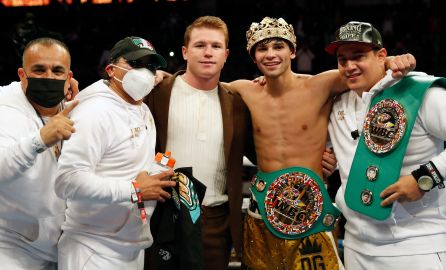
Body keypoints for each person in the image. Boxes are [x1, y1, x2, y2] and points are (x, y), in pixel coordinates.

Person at [222, 17, 415, 270]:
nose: (270, 55)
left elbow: (363, 70)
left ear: (292, 51)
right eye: (262, 49)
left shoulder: (320, 85)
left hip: (310, 209)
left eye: (278, 47)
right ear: (253, 56)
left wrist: (392, 61)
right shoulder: (243, 89)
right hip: (263, 208)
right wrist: (159, 77)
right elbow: (197, 86)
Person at [326, 21, 446, 269]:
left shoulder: (419, 92)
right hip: (355, 245)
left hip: (415, 247)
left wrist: (426, 176)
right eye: (342, 59)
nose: (349, 65)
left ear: (382, 56)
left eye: (358, 56)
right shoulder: (338, 104)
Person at [55, 36, 176, 270]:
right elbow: (67, 182)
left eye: (151, 67)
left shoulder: (142, 108)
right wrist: (135, 190)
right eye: (135, 64)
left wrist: (157, 171)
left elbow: (127, 167)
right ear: (111, 70)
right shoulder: (94, 112)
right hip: (92, 250)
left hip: (130, 246)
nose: (145, 72)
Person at [144, 16, 256, 270]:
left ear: (226, 54)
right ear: (185, 51)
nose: (208, 53)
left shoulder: (238, 103)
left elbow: (264, 150)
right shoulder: (156, 91)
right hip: (163, 213)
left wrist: (317, 160)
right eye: (200, 45)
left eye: (216, 46)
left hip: (216, 219)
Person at [0, 37, 77, 270]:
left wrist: (159, 80)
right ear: (22, 75)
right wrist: (40, 140)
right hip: (11, 246)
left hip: (60, 246)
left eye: (57, 71)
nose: (48, 77)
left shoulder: (75, 106)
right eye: (39, 70)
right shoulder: (5, 110)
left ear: (68, 78)